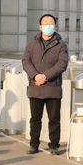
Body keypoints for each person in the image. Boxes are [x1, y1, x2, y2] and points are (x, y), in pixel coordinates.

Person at [22, 13, 69, 155]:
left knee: (54, 119)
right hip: (35, 87)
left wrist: (45, 76)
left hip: (52, 87)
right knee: (35, 119)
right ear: (40, 26)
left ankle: (54, 145)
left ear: (55, 26)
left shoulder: (61, 45)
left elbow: (62, 64)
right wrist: (35, 76)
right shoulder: (32, 45)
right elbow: (26, 62)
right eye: (45, 23)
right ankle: (33, 144)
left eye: (51, 23)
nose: (48, 26)